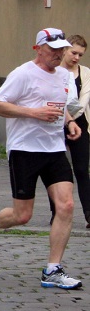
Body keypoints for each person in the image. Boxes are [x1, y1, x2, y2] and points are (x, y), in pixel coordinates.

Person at [0, 28, 83, 290]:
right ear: (38, 49)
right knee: (23, 215)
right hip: (25, 149)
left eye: (61, 49)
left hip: (54, 149)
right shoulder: (22, 74)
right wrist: (34, 113)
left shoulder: (64, 75)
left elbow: (60, 105)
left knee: (66, 205)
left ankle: (53, 270)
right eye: (53, 49)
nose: (59, 54)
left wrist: (70, 122)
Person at [63, 35, 89, 228]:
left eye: (80, 54)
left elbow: (83, 101)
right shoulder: (54, 71)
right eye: (74, 52)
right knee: (57, 170)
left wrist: (70, 118)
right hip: (54, 124)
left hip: (79, 123)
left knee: (81, 169)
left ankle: (89, 213)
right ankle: (56, 212)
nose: (76, 57)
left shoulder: (85, 73)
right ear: (64, 50)